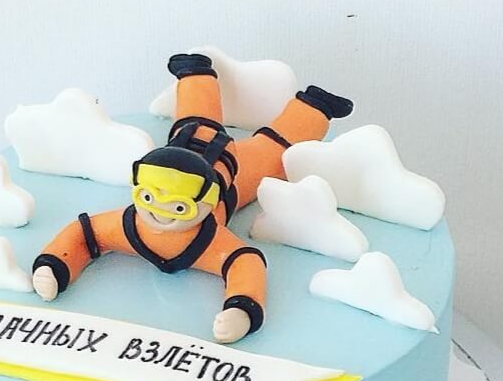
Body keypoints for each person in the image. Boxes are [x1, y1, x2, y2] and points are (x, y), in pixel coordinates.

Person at [32, 53, 353, 343]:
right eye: (148, 197)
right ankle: (196, 72)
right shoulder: (127, 224)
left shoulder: (209, 237)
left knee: (271, 150)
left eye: (179, 207)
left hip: (233, 169)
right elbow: (84, 233)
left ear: (207, 202)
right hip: (186, 144)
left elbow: (245, 261)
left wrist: (242, 308)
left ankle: (316, 106)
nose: (160, 211)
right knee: (194, 123)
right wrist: (54, 264)